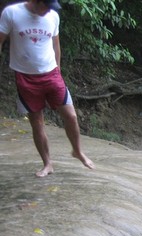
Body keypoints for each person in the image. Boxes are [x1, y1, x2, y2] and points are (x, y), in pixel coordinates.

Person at [0, 0, 94, 177]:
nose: (49, 11)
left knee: (71, 116)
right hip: (25, 77)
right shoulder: (12, 13)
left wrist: (58, 70)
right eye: (47, 6)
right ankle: (47, 163)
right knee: (37, 122)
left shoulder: (53, 16)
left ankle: (77, 151)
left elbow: (55, 44)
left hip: (51, 74)